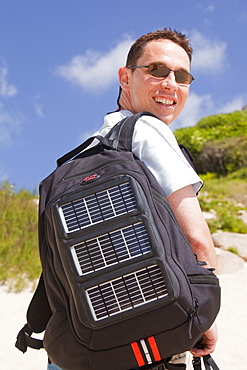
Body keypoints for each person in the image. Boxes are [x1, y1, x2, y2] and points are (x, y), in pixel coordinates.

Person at [48, 27, 218, 370]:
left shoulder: (88, 150)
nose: (170, 83)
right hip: (148, 341)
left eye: (182, 75)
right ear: (125, 77)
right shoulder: (148, 131)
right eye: (156, 70)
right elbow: (196, 239)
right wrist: (207, 322)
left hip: (83, 347)